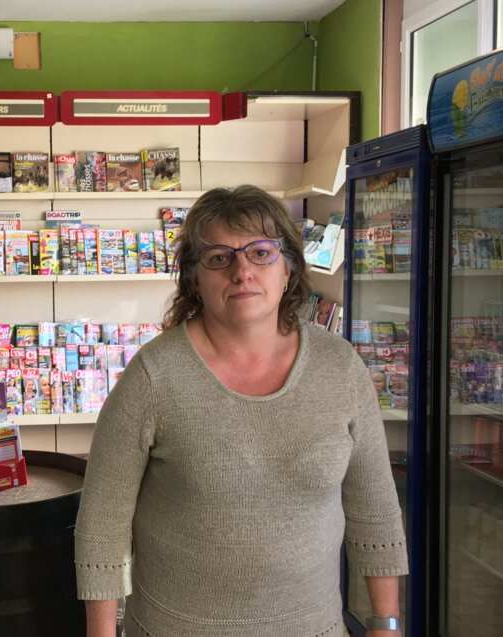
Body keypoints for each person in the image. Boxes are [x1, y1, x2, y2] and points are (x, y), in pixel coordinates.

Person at [75, 185, 408, 637]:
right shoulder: (152, 377)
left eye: (261, 253)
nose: (242, 271)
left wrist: (386, 624)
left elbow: (375, 509)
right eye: (219, 258)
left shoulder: (341, 368)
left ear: (289, 268)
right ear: (194, 279)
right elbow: (102, 525)